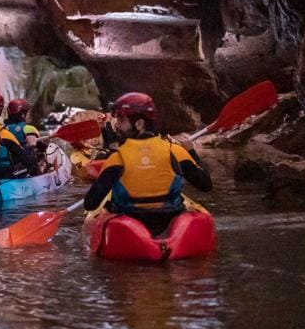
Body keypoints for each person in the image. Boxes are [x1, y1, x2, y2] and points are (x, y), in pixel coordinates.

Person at [83, 92, 212, 236]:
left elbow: (90, 203)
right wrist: (191, 151)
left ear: (139, 124)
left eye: (121, 120)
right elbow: (206, 185)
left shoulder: (117, 158)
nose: (117, 126)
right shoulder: (174, 151)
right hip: (168, 219)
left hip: (128, 224)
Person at [4, 98, 50, 173]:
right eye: (27, 113)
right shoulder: (28, 128)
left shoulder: (3, 129)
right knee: (41, 155)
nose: (29, 115)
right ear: (22, 115)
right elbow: (43, 147)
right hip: (25, 167)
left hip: (8, 167)